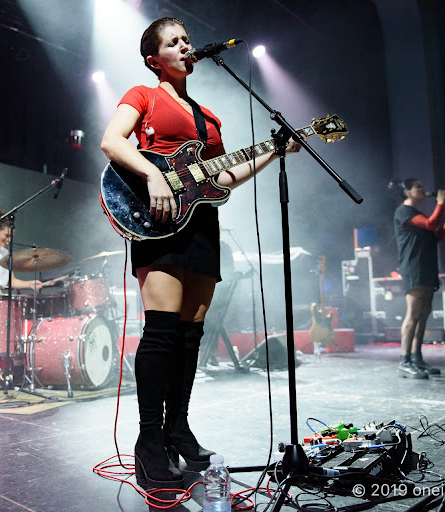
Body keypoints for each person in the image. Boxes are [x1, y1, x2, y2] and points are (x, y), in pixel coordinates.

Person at [100, 17, 301, 490]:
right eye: (174, 42)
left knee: (191, 337)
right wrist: (152, 176)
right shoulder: (142, 95)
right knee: (163, 333)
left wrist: (274, 152)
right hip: (160, 216)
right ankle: (149, 441)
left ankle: (178, 429)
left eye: (187, 39)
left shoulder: (208, 117)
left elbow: (222, 179)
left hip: (202, 224)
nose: (186, 45)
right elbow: (112, 142)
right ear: (155, 59)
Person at [393, 179, 445, 379]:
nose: (423, 190)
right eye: (418, 187)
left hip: (426, 267)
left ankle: (417, 358)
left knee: (424, 313)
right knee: (414, 312)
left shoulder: (417, 214)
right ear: (407, 192)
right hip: (414, 267)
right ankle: (404, 360)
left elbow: (434, 235)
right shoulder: (403, 212)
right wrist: (440, 203)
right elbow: (431, 224)